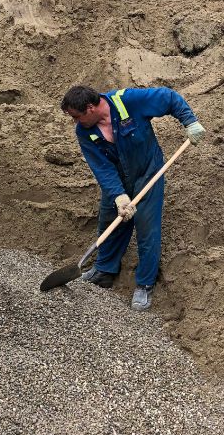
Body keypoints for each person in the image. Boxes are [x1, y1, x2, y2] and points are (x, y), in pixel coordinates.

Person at [61, 84, 205, 311]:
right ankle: (104, 270)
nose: (75, 122)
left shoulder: (128, 101)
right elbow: (102, 168)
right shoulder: (84, 132)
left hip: (148, 172)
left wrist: (190, 122)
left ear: (90, 108)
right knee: (110, 220)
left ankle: (144, 284)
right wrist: (119, 196)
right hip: (118, 180)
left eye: (77, 117)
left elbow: (168, 98)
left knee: (147, 228)